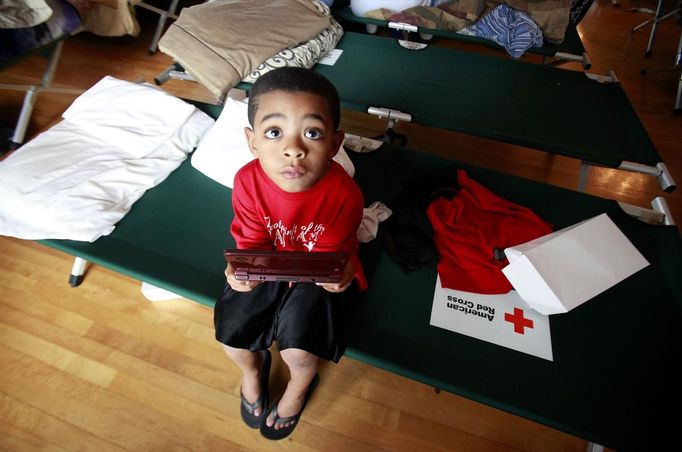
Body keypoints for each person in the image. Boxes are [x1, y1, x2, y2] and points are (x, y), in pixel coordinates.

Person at [213, 67, 367, 440]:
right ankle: (252, 371)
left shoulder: (345, 195)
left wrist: (339, 276)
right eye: (274, 132)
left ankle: (299, 386)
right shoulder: (247, 181)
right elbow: (251, 240)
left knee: (299, 350)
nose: (293, 148)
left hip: (317, 270)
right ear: (252, 141)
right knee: (231, 336)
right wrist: (240, 273)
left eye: (312, 133)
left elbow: (329, 260)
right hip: (268, 261)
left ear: (334, 143)